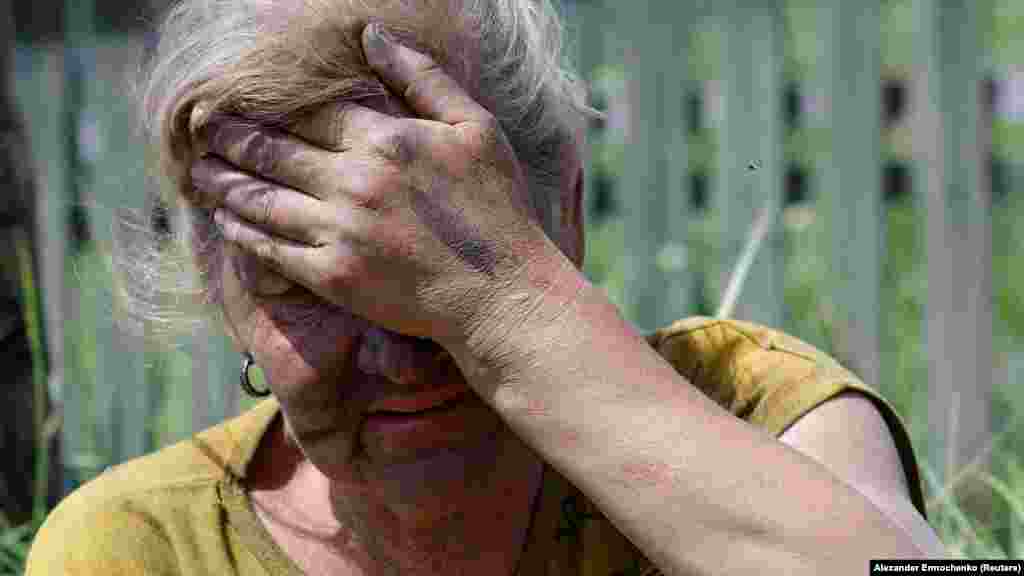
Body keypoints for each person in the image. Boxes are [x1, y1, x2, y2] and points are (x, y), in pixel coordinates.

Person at [26, 0, 947, 574]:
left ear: (565, 215)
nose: (393, 348)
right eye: (310, 279)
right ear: (218, 285)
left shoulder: (750, 407)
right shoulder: (140, 547)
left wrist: (505, 305)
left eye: (435, 262)